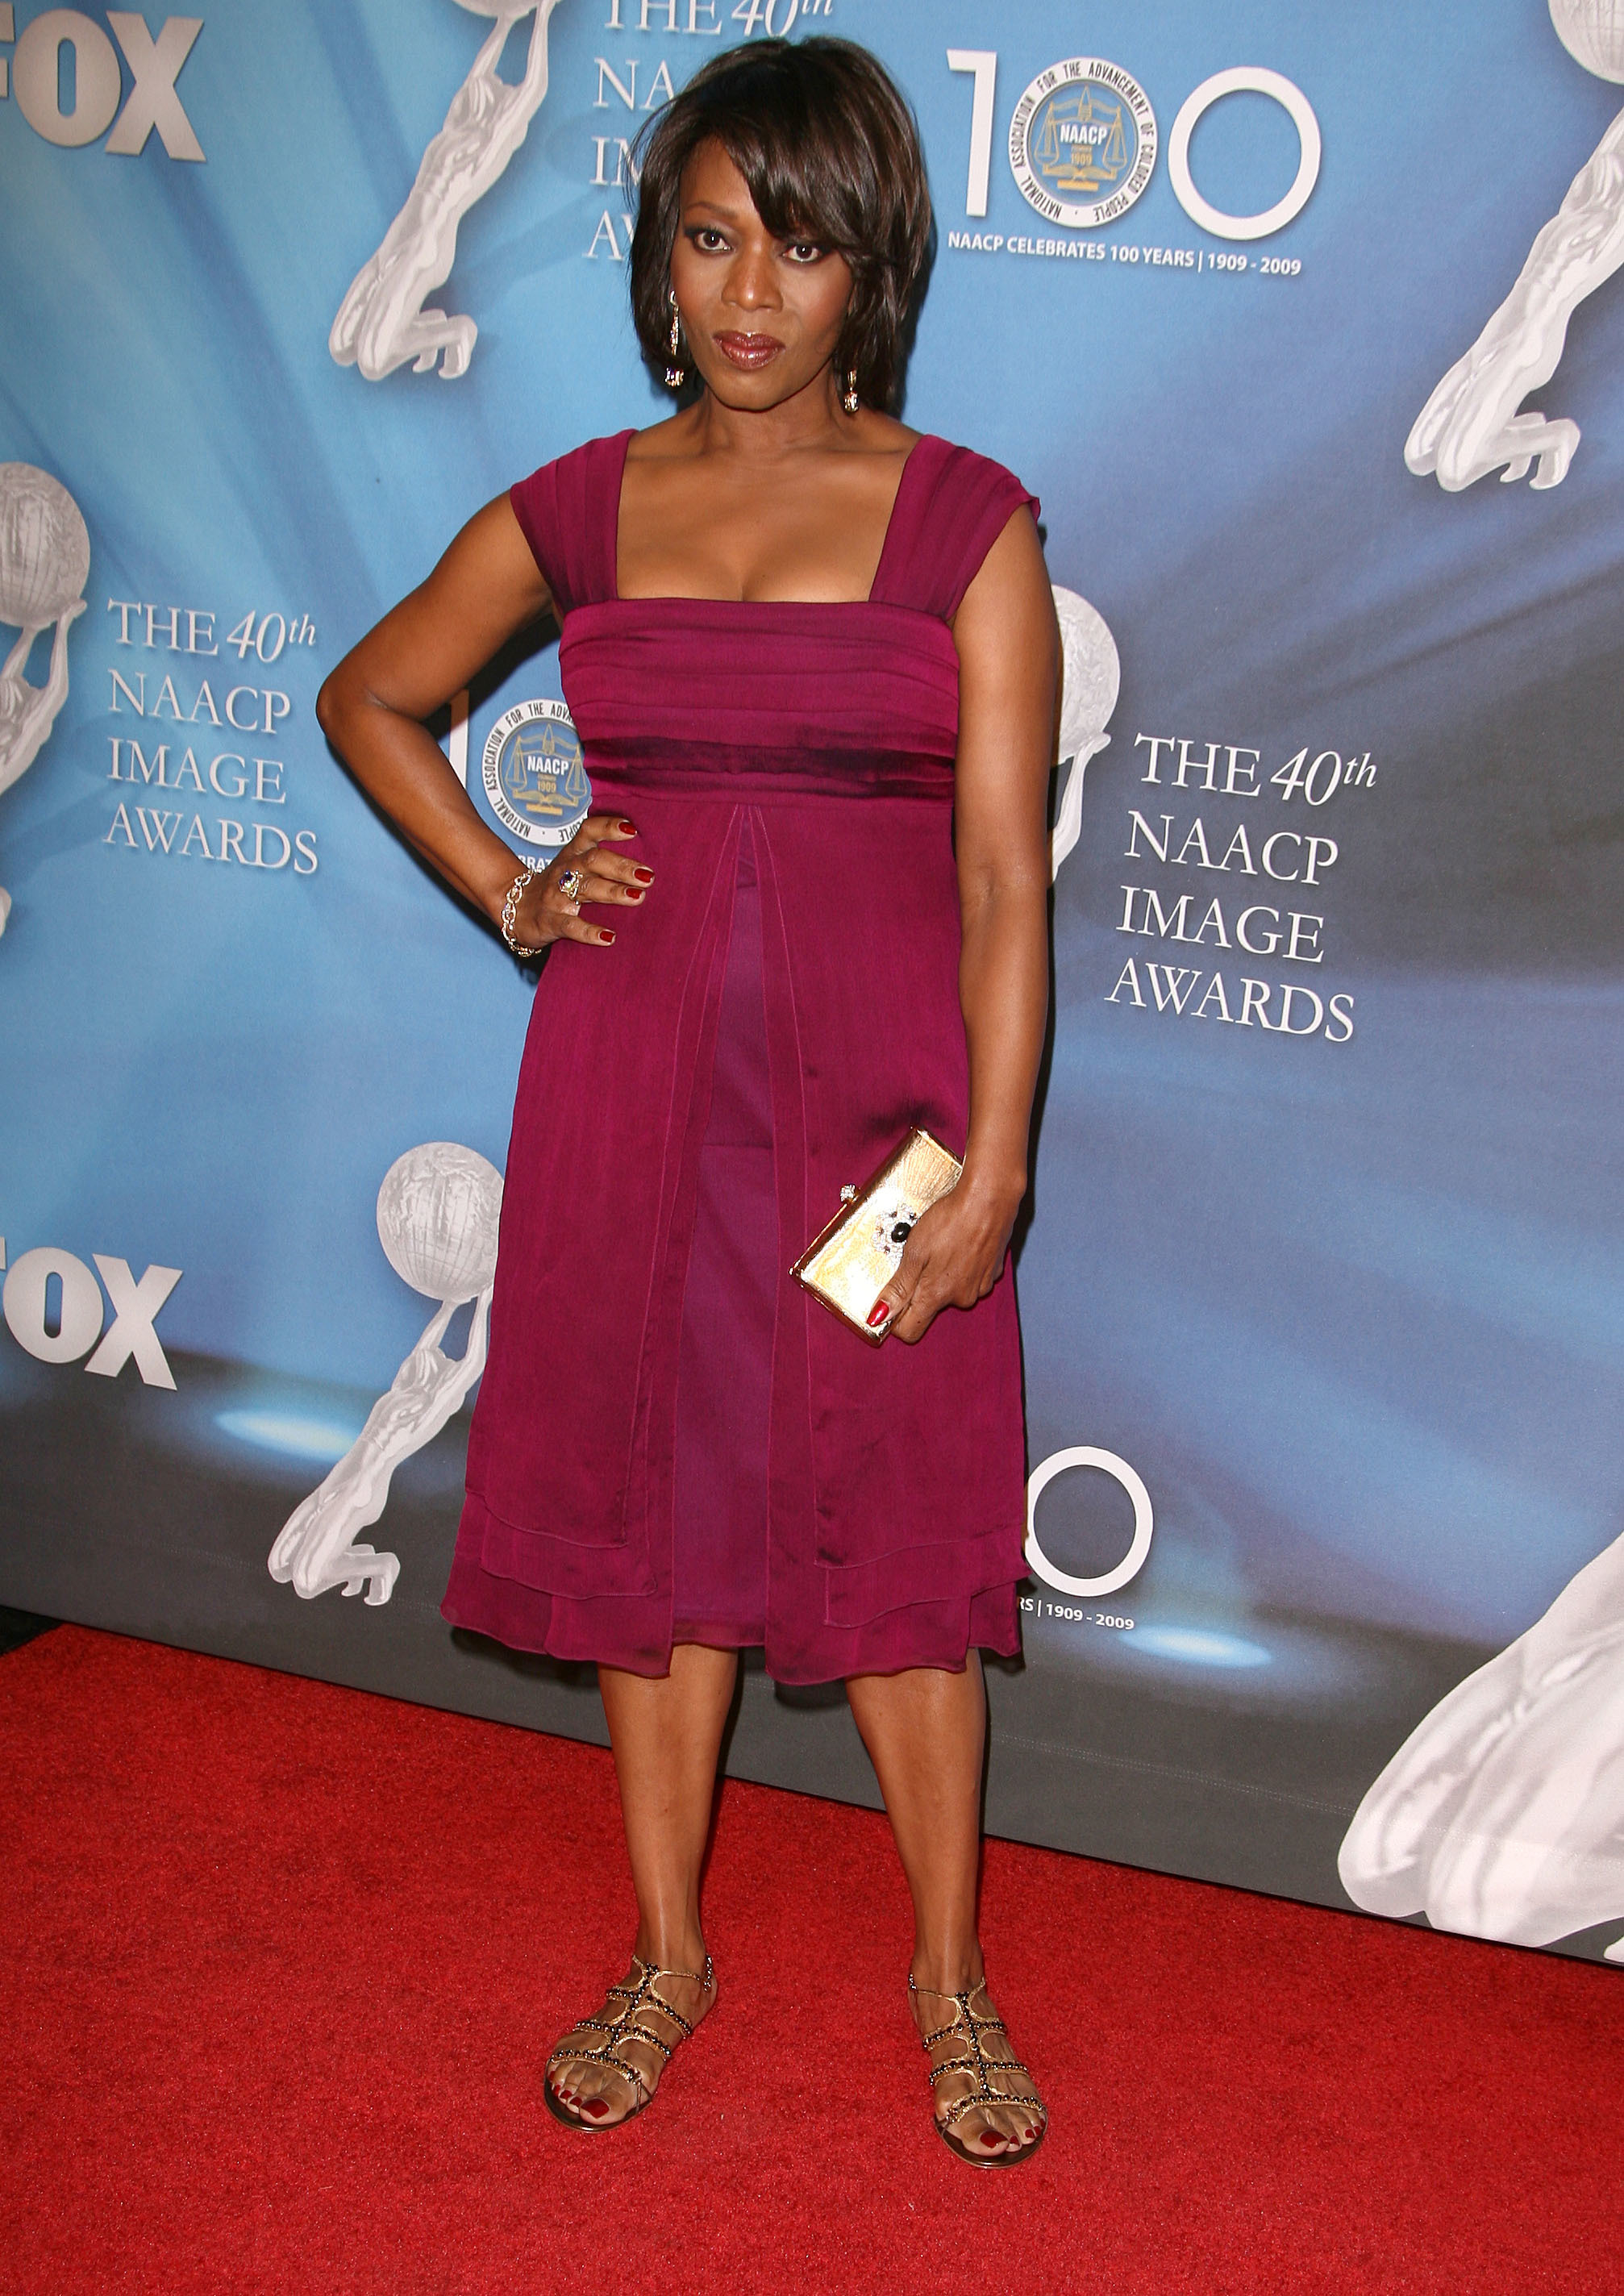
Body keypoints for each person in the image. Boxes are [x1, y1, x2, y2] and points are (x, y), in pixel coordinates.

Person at [317, 37, 1057, 2168]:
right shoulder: (580, 503)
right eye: (714, 238)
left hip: (883, 1123)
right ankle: (666, 1958)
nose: (751, 290)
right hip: (628, 1105)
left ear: (869, 269)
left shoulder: (967, 520)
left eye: (800, 247)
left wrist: (995, 1169)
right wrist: (513, 889)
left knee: (897, 1554)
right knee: (653, 1537)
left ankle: (951, 1984)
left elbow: (1003, 881)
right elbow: (372, 695)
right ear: (658, 260)